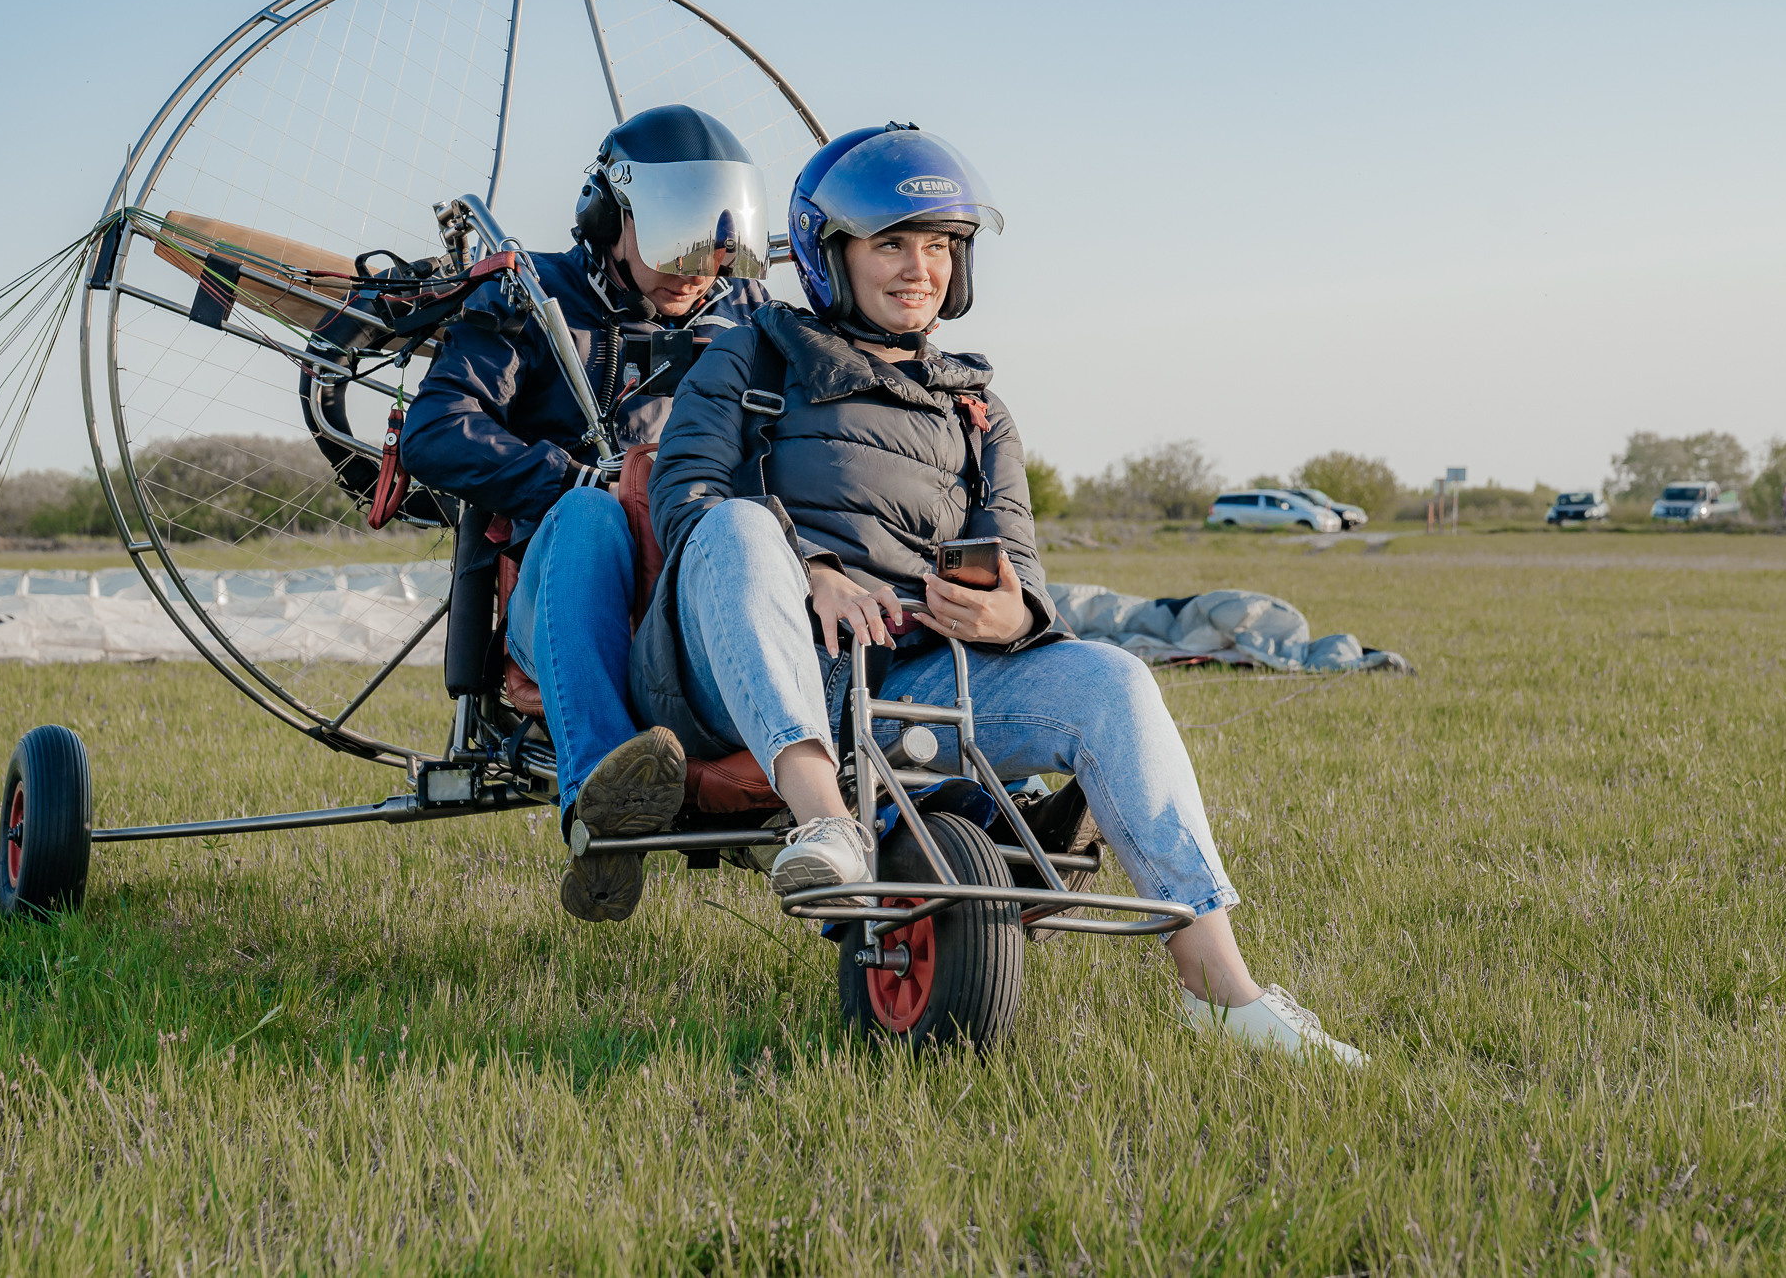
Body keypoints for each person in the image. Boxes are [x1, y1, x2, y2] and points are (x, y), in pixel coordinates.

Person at [630, 123, 1366, 1066]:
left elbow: (1026, 576)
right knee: (735, 525)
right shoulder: (751, 357)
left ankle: (1224, 992)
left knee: (1110, 677)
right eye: (892, 243)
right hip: (742, 669)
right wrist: (807, 567)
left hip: (910, 684)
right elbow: (689, 504)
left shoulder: (978, 409)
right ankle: (825, 821)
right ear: (828, 252)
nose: (919, 269)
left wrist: (1013, 615)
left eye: (940, 247)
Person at [401, 105, 774, 923]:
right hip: (565, 588)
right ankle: (605, 808)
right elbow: (433, 429)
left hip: (685, 607)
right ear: (608, 219)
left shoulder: (747, 316)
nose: (696, 266)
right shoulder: (529, 298)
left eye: (715, 243)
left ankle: (949, 800)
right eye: (672, 236)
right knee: (589, 519)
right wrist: (568, 477)